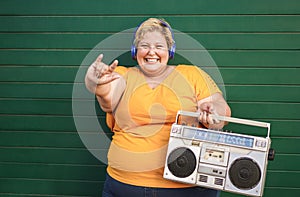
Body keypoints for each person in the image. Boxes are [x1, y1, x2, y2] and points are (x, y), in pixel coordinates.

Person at [85, 18, 231, 197]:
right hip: (124, 186)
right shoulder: (122, 75)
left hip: (187, 189)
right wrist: (94, 82)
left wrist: (213, 112)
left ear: (170, 51)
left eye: (159, 46)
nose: (151, 51)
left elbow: (220, 109)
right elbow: (106, 97)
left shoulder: (192, 74)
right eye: (144, 45)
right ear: (135, 51)